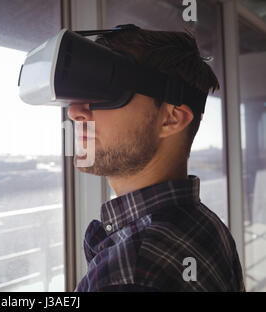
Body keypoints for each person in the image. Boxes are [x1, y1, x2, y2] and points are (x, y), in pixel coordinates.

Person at [68, 27, 245, 291]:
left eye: (107, 91)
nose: (74, 111)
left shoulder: (128, 274)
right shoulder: (208, 226)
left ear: (172, 118)